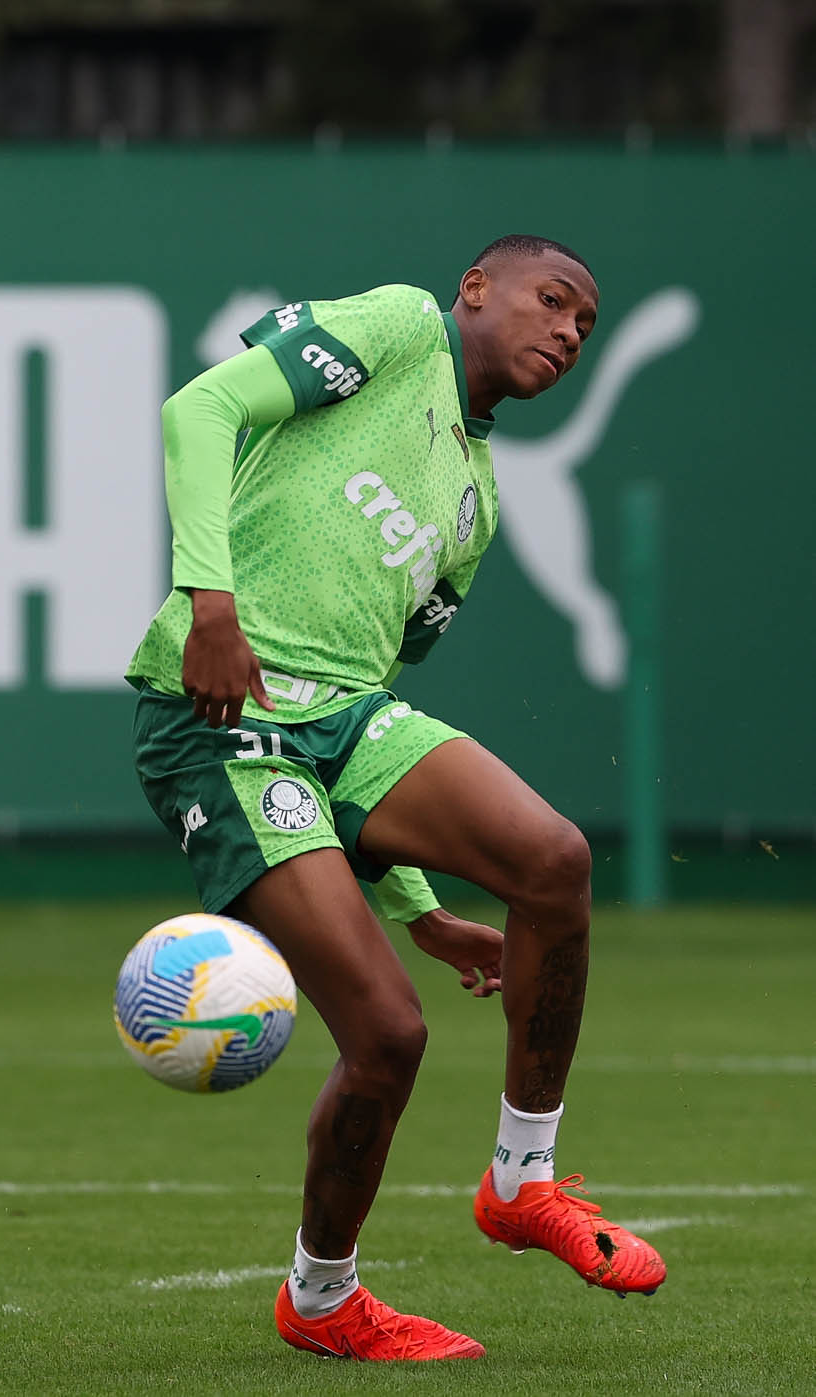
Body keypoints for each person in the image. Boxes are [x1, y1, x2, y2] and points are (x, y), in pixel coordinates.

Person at [127, 235, 667, 1361]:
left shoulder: (475, 506)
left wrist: (418, 901)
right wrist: (208, 602)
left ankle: (524, 1178)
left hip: (342, 713)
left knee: (554, 860)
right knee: (388, 1033)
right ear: (477, 289)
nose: (569, 331)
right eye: (553, 301)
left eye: (587, 325)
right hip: (220, 713)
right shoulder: (395, 325)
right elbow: (198, 411)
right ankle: (322, 1299)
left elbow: (377, 708)